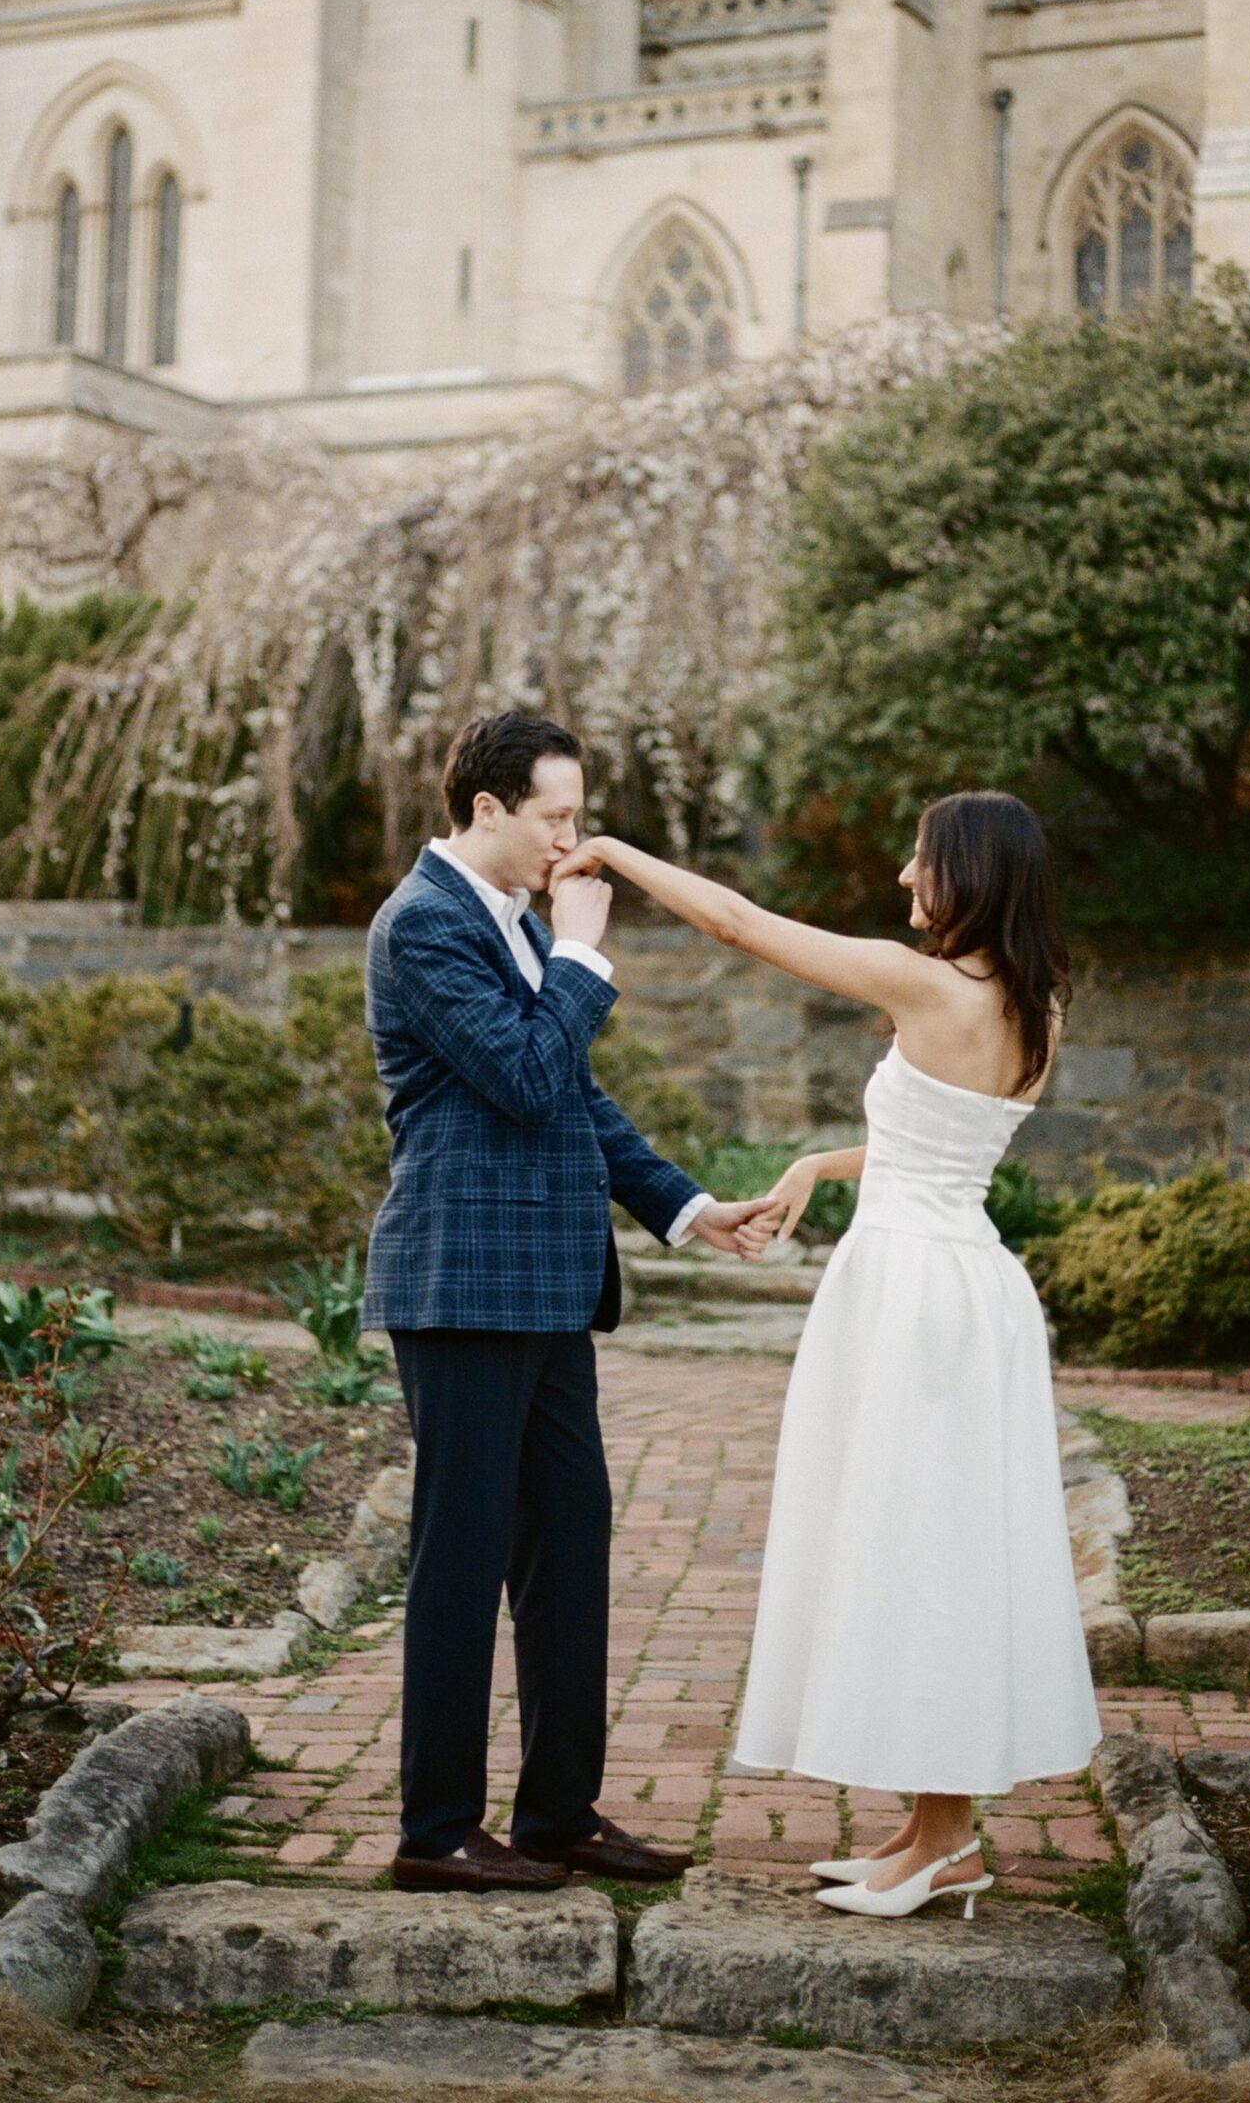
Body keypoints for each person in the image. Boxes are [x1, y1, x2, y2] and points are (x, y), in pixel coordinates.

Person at [550, 790, 1101, 1921]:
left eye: (919, 861)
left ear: (971, 875)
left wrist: (611, 852)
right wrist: (817, 1162)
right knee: (928, 1537)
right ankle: (923, 1830)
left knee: (919, 1545)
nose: (904, 879)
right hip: (964, 1278)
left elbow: (741, 926)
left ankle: (945, 1839)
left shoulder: (927, 985)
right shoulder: (1031, 1003)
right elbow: (940, 1141)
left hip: (911, 1294)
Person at [361, 712, 775, 1894]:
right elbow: (526, 1069)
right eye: (555, 815)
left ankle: (557, 1814)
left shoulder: (509, 922)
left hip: (545, 1289)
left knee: (569, 1545)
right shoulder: (423, 925)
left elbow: (573, 1106)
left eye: (577, 815)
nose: (570, 838)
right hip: (462, 1286)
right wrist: (585, 955)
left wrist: (691, 1209)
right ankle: (434, 1831)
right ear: (486, 811)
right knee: (461, 1554)